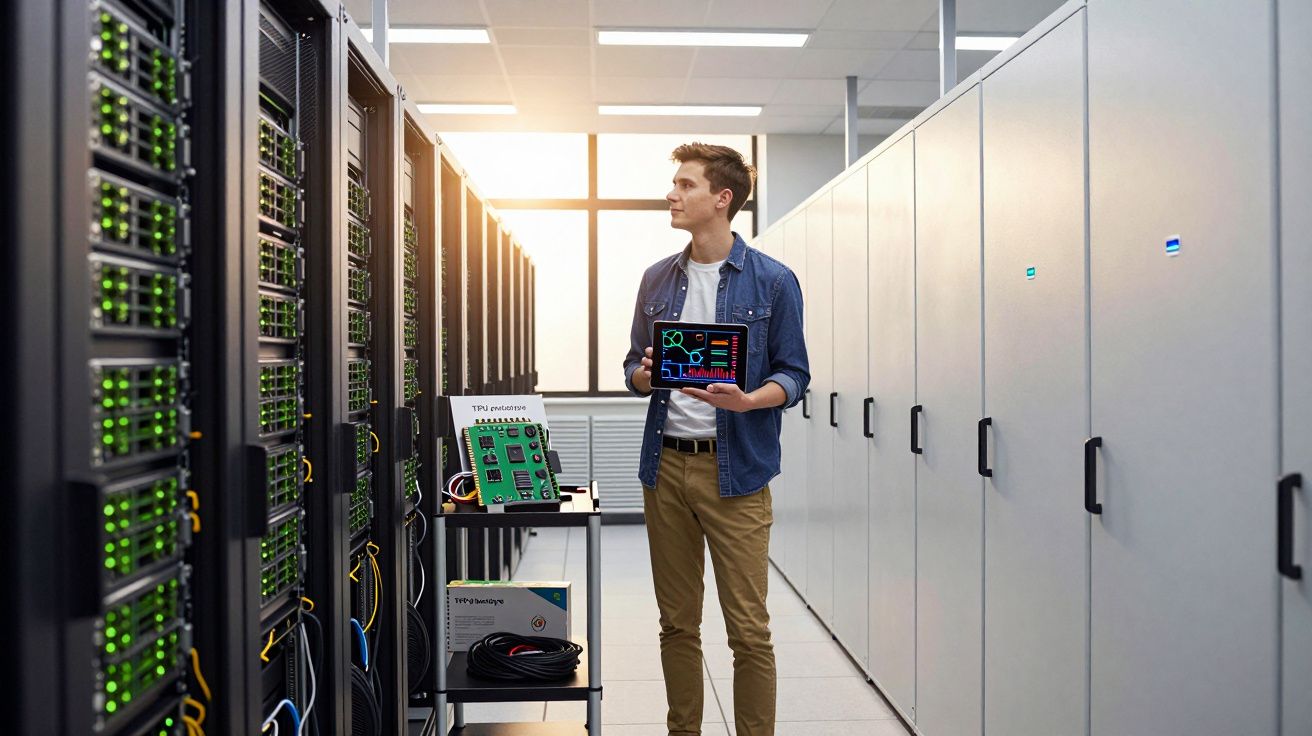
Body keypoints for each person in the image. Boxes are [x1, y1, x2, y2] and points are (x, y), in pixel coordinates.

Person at [623, 142, 810, 736]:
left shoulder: (773, 282)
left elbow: (795, 373)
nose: (671, 195)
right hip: (666, 470)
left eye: (685, 185)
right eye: (673, 184)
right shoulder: (657, 278)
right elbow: (632, 368)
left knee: (748, 631)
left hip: (737, 474)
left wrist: (749, 399)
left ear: (721, 199)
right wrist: (646, 376)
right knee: (677, 624)